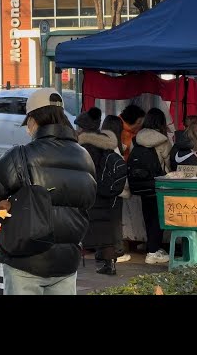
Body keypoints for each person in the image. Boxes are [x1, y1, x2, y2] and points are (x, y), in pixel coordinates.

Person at [0, 88, 96, 295]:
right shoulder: (85, 157)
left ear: (33, 119)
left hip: (26, 259)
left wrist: (1, 204)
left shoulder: (20, 156)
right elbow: (88, 201)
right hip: (67, 261)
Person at [76, 108, 128, 275]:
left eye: (79, 127)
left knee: (97, 227)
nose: (77, 130)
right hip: (106, 189)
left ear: (84, 128)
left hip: (93, 189)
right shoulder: (105, 142)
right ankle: (108, 264)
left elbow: (87, 168)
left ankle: (107, 264)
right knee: (105, 227)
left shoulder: (86, 145)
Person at [127, 107, 171, 264]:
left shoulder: (135, 139)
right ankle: (153, 252)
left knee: (148, 216)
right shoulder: (163, 141)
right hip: (157, 184)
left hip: (139, 185)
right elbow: (169, 164)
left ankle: (153, 247)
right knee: (158, 218)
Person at [98, 114, 132, 263]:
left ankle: (102, 251)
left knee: (101, 220)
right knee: (115, 220)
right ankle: (117, 251)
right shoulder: (114, 146)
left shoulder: (97, 143)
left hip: (98, 188)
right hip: (113, 191)